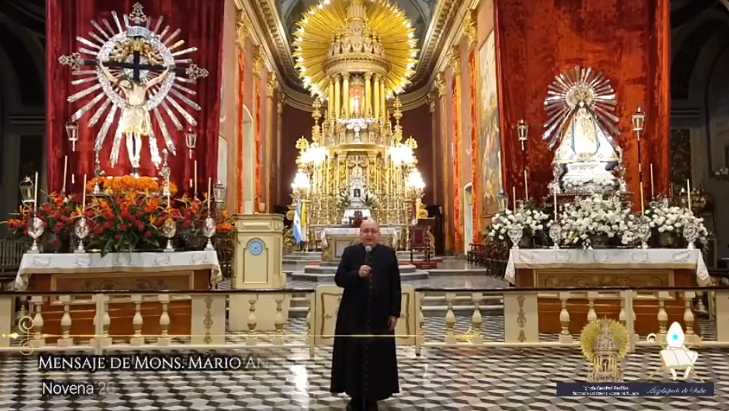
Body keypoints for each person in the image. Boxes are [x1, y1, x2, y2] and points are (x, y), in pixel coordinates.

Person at [330, 219, 401, 410]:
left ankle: (373, 396)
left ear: (379, 234)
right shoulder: (350, 253)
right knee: (353, 354)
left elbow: (395, 286)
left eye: (373, 231)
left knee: (378, 356)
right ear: (360, 234)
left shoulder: (388, 254)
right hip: (353, 316)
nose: (369, 235)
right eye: (365, 231)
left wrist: (395, 312)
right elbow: (339, 279)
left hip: (380, 316)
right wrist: (356, 274)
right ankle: (355, 395)